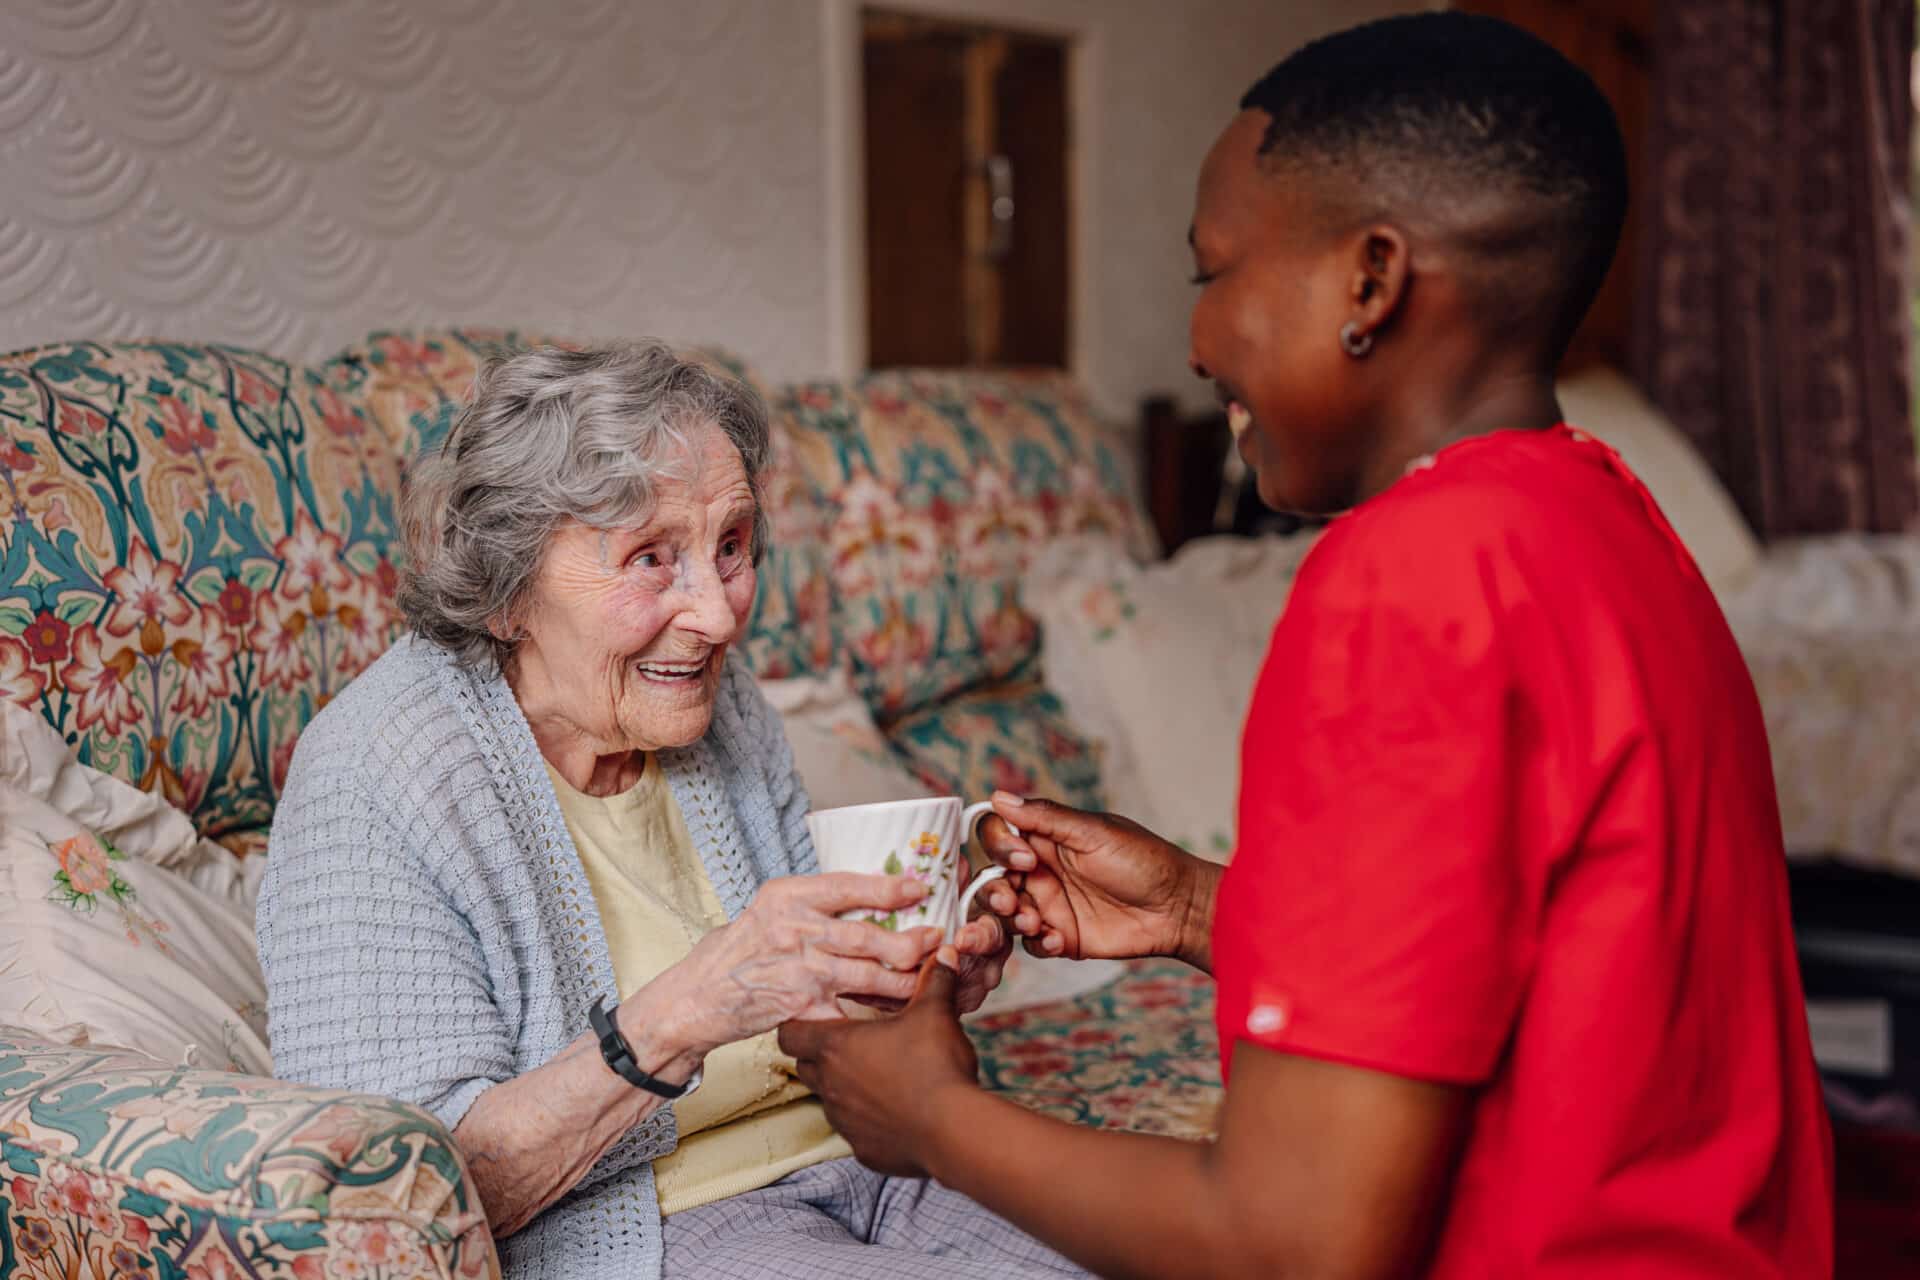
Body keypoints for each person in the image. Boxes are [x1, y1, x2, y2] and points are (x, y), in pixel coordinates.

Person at [781, 14, 1834, 1278]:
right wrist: (1189, 906)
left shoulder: (1405, 580)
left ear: (1369, 281)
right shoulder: (1603, 513)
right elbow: (1550, 968)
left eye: (1212, 272)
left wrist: (935, 1118)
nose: (1194, 340)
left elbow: (1295, 1244)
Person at [256, 343, 1086, 1280]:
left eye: (730, 547)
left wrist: (905, 986)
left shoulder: (718, 707)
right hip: (659, 1228)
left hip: (871, 1159)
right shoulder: (380, 772)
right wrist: (685, 1012)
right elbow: (399, 1204)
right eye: (652, 558)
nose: (721, 617)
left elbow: (805, 1020)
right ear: (506, 590)